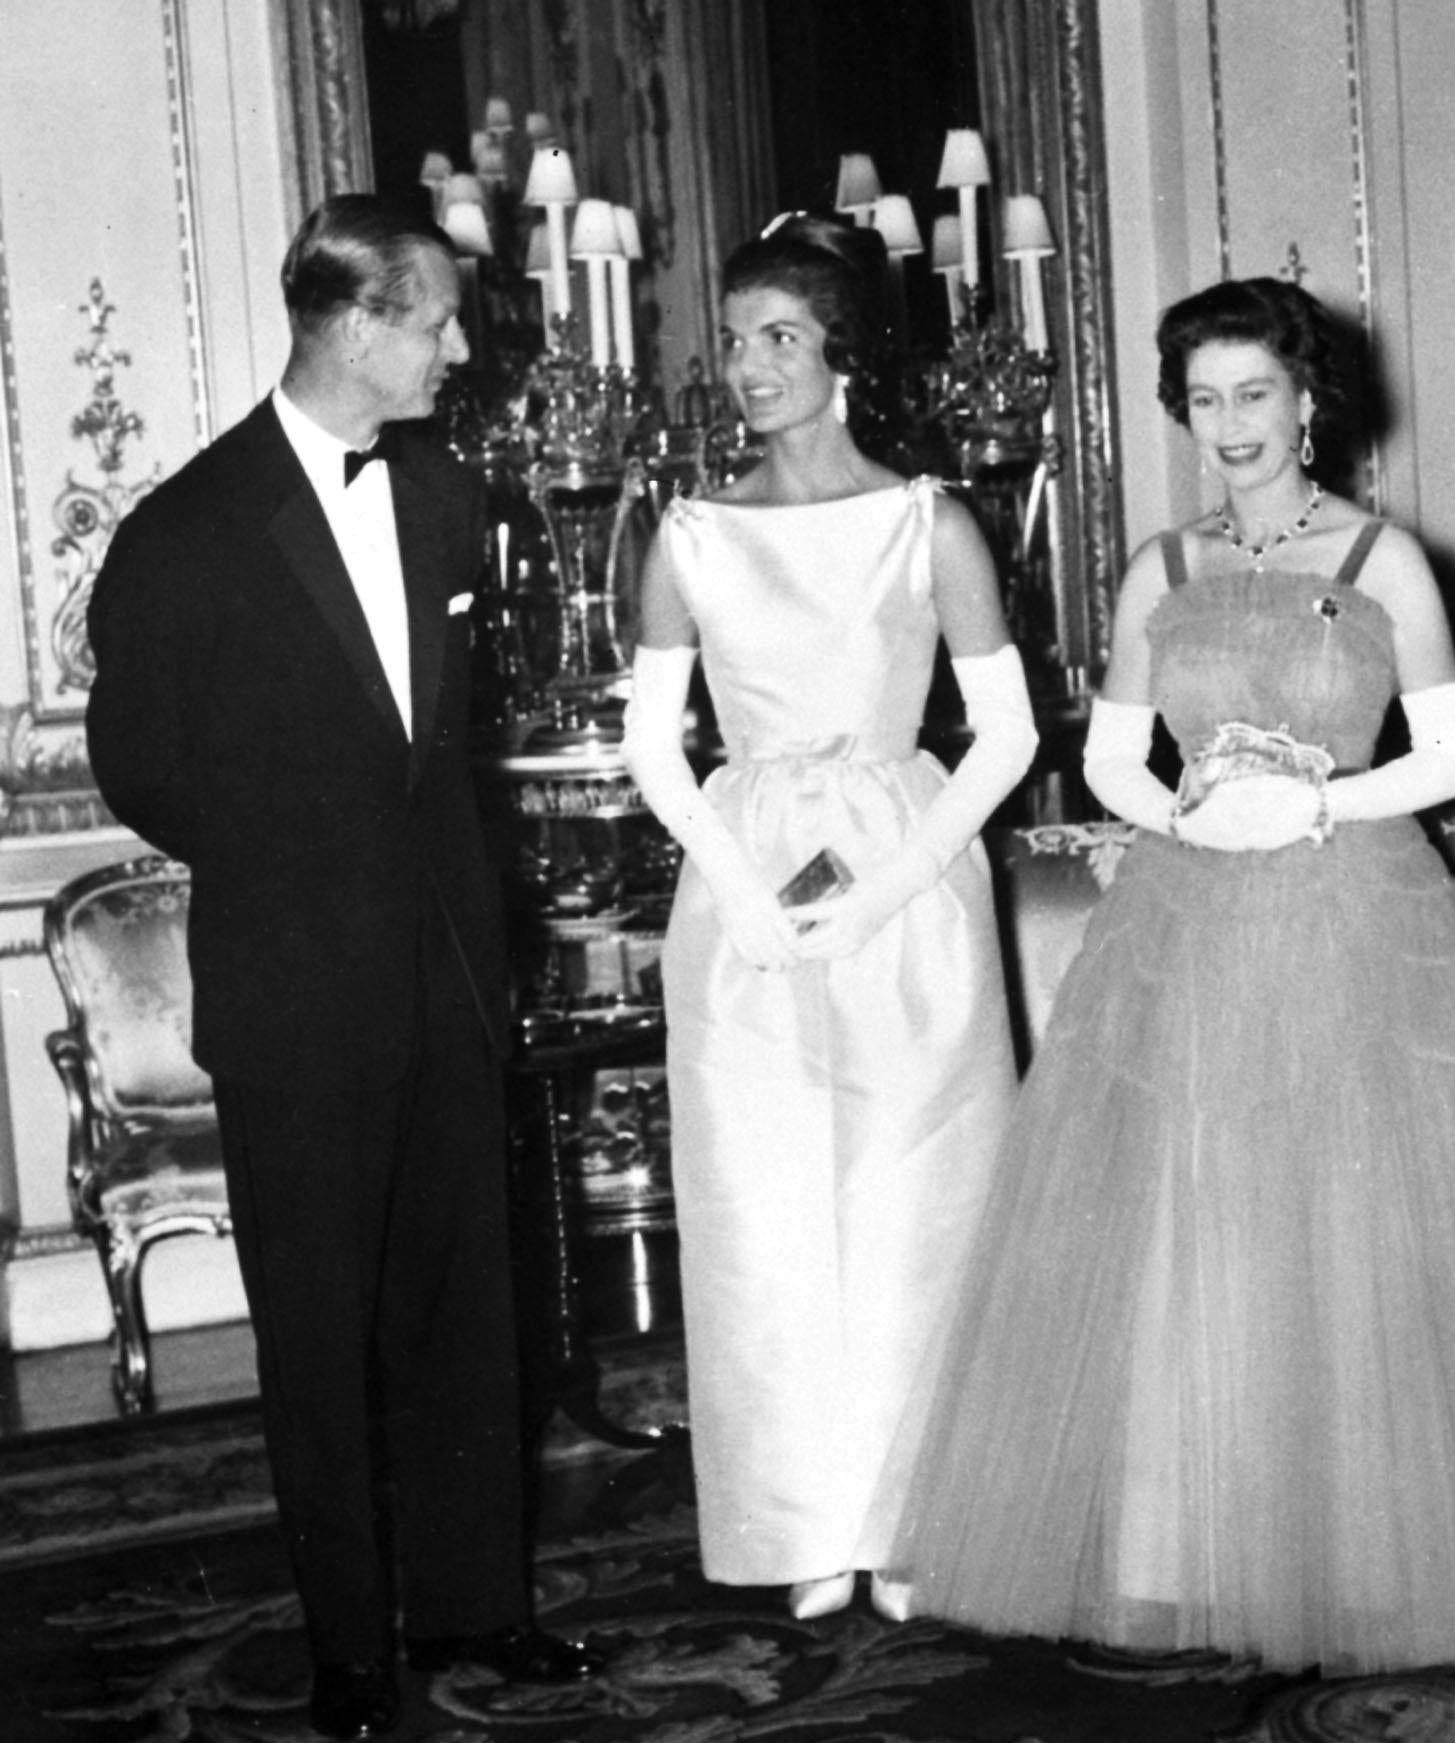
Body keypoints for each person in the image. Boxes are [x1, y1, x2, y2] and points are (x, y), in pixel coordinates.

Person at [879, 277, 1455, 1679]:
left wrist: (1310, 806)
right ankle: (1190, 1547)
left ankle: (1369, 1553)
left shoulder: (1385, 563)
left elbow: (1453, 756)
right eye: (1202, 399)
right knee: (1198, 1224)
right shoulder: (1159, 569)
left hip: (1354, 919)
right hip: (1185, 926)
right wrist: (1185, 814)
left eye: (1254, 394)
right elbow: (1114, 752)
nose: (1228, 424)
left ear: (1309, 404)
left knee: (1348, 1227)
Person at [84, 194, 600, 1740]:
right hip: (298, 994)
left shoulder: (446, 498)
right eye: (439, 318)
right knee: (318, 1338)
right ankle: (351, 1653)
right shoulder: (187, 526)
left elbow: (439, 755)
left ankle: (477, 1610)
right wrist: (305, 863)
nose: (461, 345)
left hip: (447, 979)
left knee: (467, 1317)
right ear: (356, 323)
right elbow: (140, 768)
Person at [619, 214, 1037, 1623]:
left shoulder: (930, 524)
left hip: (906, 885)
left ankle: (915, 1518)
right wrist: (739, 890)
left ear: (840, 355)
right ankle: (803, 1521)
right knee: (763, 1211)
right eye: (733, 343)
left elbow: (1002, 737)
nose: (749, 367)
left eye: (779, 339)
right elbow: (652, 747)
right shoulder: (689, 533)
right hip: (740, 899)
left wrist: (888, 885)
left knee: (914, 1202)